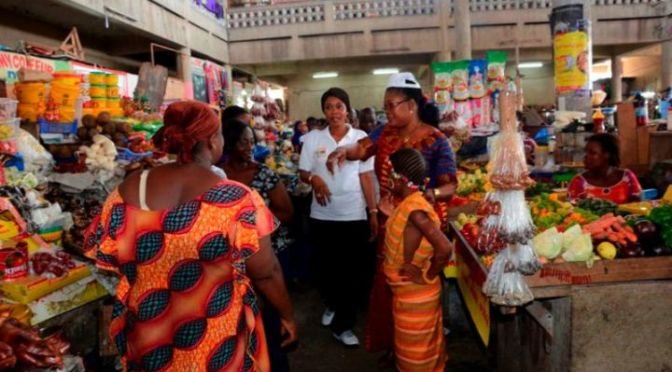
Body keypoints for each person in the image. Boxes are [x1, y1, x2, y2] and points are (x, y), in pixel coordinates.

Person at [83, 101, 297, 371]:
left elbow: (110, 257)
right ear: (211, 141)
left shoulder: (123, 193)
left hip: (149, 337)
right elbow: (266, 272)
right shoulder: (237, 199)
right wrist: (286, 316)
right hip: (216, 339)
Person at [326, 72, 457, 353]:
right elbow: (361, 149)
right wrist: (341, 152)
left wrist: (423, 197)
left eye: (392, 105)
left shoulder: (437, 141)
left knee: (416, 284)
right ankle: (394, 342)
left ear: (412, 105)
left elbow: (451, 187)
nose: (387, 111)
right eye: (384, 106)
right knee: (389, 280)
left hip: (420, 226)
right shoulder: (384, 133)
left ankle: (420, 345)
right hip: (390, 221)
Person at [299, 87, 378, 347]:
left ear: (347, 109)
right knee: (326, 269)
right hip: (322, 215)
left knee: (352, 272)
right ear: (324, 111)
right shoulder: (312, 139)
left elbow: (366, 176)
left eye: (339, 106)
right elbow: (303, 172)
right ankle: (332, 303)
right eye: (329, 107)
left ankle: (343, 325)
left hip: (353, 214)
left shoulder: (361, 138)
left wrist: (373, 211)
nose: (334, 112)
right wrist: (315, 178)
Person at [218, 118, 295, 371]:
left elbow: (286, 211)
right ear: (228, 144)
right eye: (243, 141)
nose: (250, 146)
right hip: (228, 262)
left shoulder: (264, 174)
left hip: (264, 253)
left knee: (268, 319)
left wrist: (252, 232)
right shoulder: (216, 176)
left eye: (252, 141)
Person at [384, 148, 452, 372]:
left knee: (418, 358)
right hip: (408, 295)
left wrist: (427, 275)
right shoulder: (411, 203)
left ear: (400, 178)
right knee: (412, 351)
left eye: (389, 172)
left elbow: (444, 247)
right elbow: (406, 235)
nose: (386, 177)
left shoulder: (415, 211)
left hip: (417, 296)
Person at [568, 133, 642, 204]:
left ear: (607, 155)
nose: (586, 157)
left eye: (592, 153)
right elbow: (574, 213)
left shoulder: (627, 178)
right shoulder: (578, 182)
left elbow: (638, 207)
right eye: (586, 152)